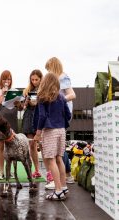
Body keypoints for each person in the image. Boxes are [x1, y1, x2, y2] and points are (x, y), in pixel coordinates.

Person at [33, 73, 71, 201]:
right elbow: (68, 114)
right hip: (61, 130)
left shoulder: (42, 97)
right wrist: (63, 125)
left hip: (50, 130)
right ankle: (63, 187)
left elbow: (42, 116)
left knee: (51, 160)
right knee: (59, 159)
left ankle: (58, 191)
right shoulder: (61, 97)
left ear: (44, 83)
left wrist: (38, 133)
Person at [45, 57, 76, 188]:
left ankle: (60, 181)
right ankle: (67, 176)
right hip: (59, 113)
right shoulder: (57, 78)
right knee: (60, 149)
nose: (47, 71)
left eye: (48, 69)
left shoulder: (62, 77)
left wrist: (57, 99)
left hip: (61, 114)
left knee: (58, 151)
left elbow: (72, 94)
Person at [0, 70, 19, 180]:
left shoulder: (15, 91)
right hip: (0, 122)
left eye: (9, 79)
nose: (7, 81)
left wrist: (19, 103)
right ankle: (1, 172)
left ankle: (10, 172)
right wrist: (2, 94)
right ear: (1, 80)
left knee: (11, 148)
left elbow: (20, 107)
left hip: (12, 121)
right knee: (1, 147)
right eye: (5, 79)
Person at [22, 69, 43, 178]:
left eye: (36, 79)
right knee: (32, 145)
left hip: (40, 115)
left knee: (42, 145)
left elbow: (40, 103)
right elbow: (23, 107)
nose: (34, 81)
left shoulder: (44, 89)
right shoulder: (27, 90)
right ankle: (36, 170)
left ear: (41, 79)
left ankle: (49, 171)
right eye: (32, 79)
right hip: (29, 116)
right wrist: (25, 102)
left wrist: (36, 101)